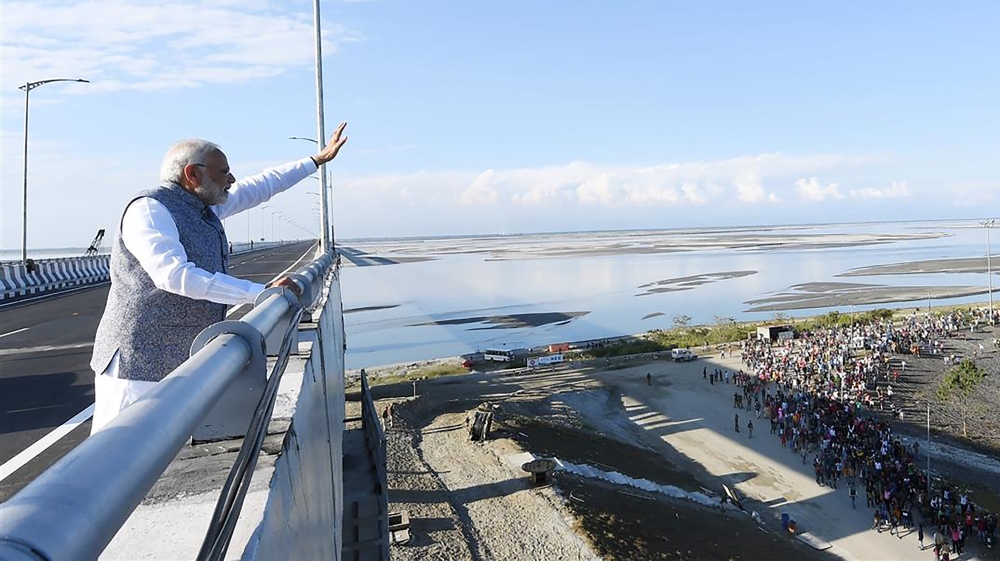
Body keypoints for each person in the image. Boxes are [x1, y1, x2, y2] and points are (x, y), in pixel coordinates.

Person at [89, 123, 348, 433]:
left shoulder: (202, 207)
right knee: (120, 449)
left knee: (164, 446)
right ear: (192, 174)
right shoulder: (150, 210)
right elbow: (174, 276)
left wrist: (316, 160)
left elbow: (262, 186)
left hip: (178, 359)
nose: (232, 179)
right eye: (224, 172)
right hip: (137, 363)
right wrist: (260, 292)